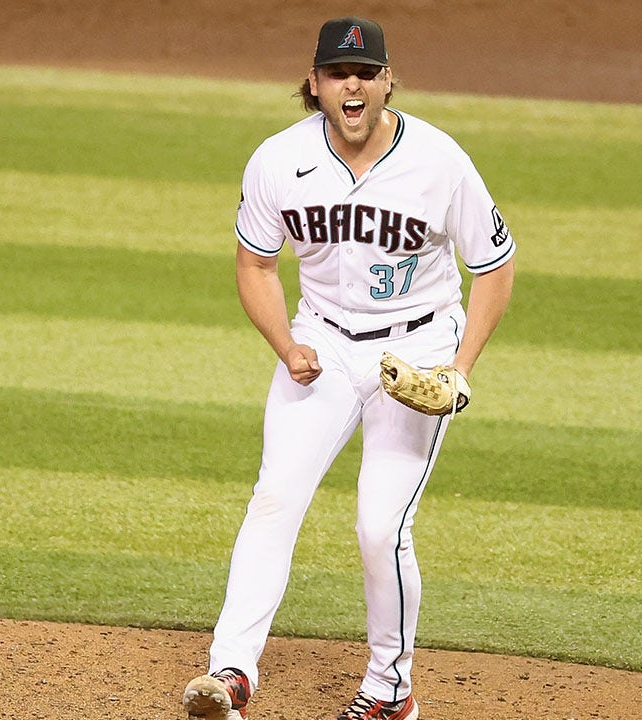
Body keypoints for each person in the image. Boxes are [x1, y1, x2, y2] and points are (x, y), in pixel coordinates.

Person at [182, 16, 515, 720]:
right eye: (338, 73)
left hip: (416, 347)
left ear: (389, 80)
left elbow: (494, 266)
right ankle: (230, 672)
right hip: (324, 342)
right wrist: (286, 343)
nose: (353, 85)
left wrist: (458, 366)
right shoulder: (278, 159)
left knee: (378, 526)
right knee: (275, 499)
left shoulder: (440, 159)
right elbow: (254, 263)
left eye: (366, 73)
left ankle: (390, 692)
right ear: (315, 84)